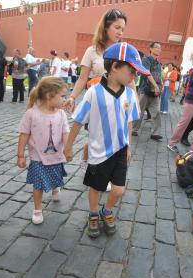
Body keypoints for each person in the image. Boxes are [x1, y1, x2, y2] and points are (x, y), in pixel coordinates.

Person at [64, 42, 146, 238]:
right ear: (115, 67)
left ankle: (106, 211)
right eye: (132, 71)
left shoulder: (130, 94)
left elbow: (129, 122)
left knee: (118, 190)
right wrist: (68, 147)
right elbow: (77, 121)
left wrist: (128, 147)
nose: (135, 76)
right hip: (99, 152)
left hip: (120, 149)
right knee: (96, 187)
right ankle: (93, 213)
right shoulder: (94, 92)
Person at [65, 8, 127, 192]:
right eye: (117, 27)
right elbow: (83, 78)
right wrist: (72, 96)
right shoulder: (92, 51)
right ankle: (96, 172)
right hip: (97, 102)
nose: (120, 32)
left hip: (116, 103)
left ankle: (91, 165)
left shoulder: (121, 51)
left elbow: (128, 78)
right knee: (97, 139)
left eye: (123, 29)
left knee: (103, 140)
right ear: (106, 27)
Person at [17, 77, 69, 224]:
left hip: (56, 155)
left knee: (55, 176)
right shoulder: (31, 114)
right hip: (37, 156)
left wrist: (68, 149)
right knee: (38, 184)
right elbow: (24, 135)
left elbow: (65, 132)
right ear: (49, 95)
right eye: (62, 96)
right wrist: (20, 155)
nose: (64, 100)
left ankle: (55, 189)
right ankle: (37, 209)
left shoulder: (61, 114)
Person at [132, 41, 163, 140]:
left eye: (160, 48)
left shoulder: (158, 63)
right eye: (157, 47)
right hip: (145, 89)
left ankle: (155, 133)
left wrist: (160, 86)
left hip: (155, 91)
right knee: (139, 111)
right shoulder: (146, 60)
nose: (159, 49)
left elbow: (159, 76)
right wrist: (155, 86)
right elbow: (147, 72)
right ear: (151, 49)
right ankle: (134, 129)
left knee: (157, 112)